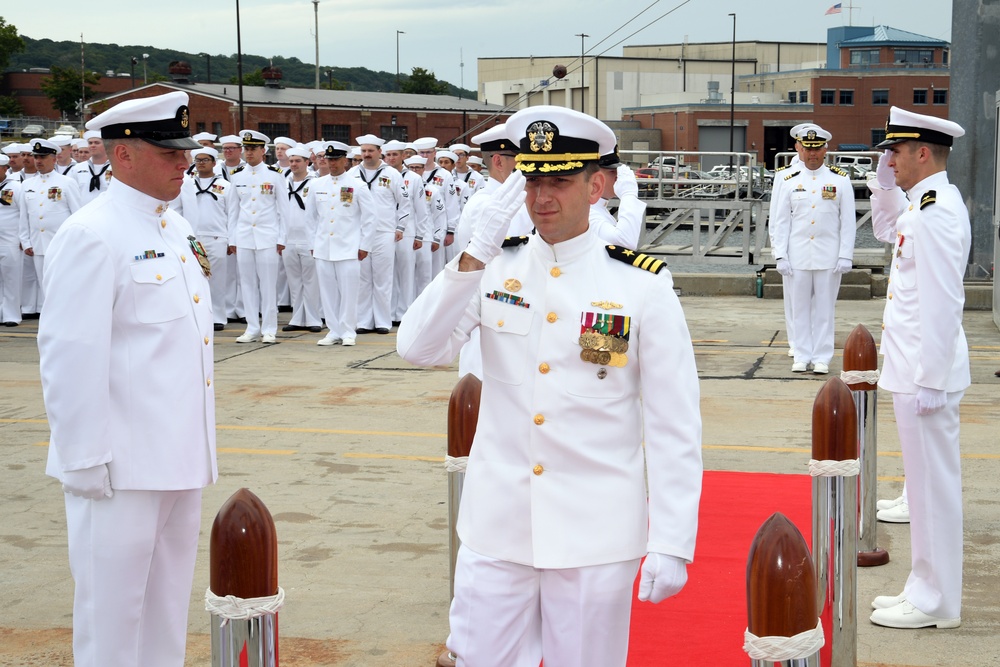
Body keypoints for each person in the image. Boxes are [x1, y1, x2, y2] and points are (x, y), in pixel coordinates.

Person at [397, 106, 703, 666]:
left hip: (594, 536)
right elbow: (417, 348)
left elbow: (673, 423)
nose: (542, 197)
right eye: (532, 179)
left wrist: (672, 540)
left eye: (560, 180)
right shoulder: (495, 268)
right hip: (498, 528)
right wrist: (472, 256)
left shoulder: (641, 286)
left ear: (599, 185)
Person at [37, 90, 217, 666]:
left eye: (185, 151)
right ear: (124, 156)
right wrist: (84, 460)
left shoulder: (173, 228)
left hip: (177, 459)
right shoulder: (92, 234)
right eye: (170, 152)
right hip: (118, 470)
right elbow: (69, 354)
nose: (185, 162)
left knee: (164, 614)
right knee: (111, 621)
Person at [867, 106, 969, 630]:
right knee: (925, 490)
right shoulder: (924, 207)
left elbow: (943, 302)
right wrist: (884, 187)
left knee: (932, 493)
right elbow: (889, 228)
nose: (890, 159)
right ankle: (924, 588)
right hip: (914, 371)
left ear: (922, 153)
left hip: (924, 375)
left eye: (895, 152)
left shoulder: (939, 212)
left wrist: (931, 377)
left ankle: (935, 601)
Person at [769, 125, 855, 374]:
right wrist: (781, 255)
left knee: (825, 311)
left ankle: (822, 357)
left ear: (825, 149)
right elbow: (781, 221)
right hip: (797, 256)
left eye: (817, 148)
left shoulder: (839, 180)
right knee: (800, 309)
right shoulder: (789, 182)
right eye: (808, 149)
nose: (812, 154)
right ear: (799, 149)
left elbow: (847, 222)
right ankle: (802, 354)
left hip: (829, 256)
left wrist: (845, 255)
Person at [309, 142, 376, 347]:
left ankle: (348, 330)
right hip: (323, 246)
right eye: (329, 160)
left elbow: (370, 217)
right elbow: (310, 218)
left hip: (349, 247)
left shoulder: (358, 185)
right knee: (327, 292)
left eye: (336, 159)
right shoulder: (317, 185)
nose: (332, 163)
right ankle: (333, 330)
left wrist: (365, 245)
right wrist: (313, 243)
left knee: (349, 291)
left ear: (345, 160)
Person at [228, 129, 289, 344]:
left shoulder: (274, 175)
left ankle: (269, 328)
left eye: (253, 148)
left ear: (263, 150)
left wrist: (282, 238)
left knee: (268, 284)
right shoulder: (237, 177)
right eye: (246, 148)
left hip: (267, 237)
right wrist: (232, 239)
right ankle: (252, 327)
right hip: (244, 236)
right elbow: (233, 211)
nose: (249, 152)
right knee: (246, 283)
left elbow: (284, 210)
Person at [349, 134, 407, 334]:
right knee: (363, 279)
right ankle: (364, 321)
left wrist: (401, 227)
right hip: (360, 233)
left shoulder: (391, 173)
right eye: (363, 151)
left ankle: (383, 321)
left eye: (370, 151)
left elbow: (404, 202)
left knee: (383, 278)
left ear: (379, 152)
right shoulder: (353, 173)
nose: (366, 154)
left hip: (384, 232)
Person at [770, 122, 818, 360]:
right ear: (797, 146)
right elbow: (777, 214)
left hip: (819, 248)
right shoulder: (783, 176)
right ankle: (796, 341)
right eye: (802, 144)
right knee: (794, 300)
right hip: (793, 246)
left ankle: (814, 342)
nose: (807, 149)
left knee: (818, 301)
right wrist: (778, 251)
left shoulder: (824, 173)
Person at [18, 139, 82, 309]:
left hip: (62, 244)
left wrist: (75, 242)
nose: (38, 161)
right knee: (45, 285)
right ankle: (51, 324)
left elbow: (77, 215)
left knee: (64, 285)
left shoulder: (67, 183)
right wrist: (26, 242)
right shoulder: (26, 185)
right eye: (36, 157)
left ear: (54, 159)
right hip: (38, 244)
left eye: (43, 157)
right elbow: (25, 217)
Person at [190, 146, 233, 331]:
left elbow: (232, 214)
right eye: (198, 160)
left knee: (216, 280)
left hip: (217, 237)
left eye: (205, 160)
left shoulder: (225, 186)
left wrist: (230, 240)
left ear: (214, 163)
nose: (201, 163)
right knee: (195, 279)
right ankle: (199, 314)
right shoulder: (188, 184)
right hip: (194, 237)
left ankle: (218, 317)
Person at [281, 145, 322, 333]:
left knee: (311, 281)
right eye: (291, 161)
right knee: (294, 281)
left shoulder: (316, 183)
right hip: (289, 238)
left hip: (308, 239)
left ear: (307, 162)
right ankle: (297, 318)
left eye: (298, 161)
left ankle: (314, 318)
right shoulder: (283, 182)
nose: (294, 164)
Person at [589, 146, 645, 249]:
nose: (618, 177)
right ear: (596, 178)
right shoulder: (587, 213)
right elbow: (624, 243)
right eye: (612, 172)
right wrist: (628, 194)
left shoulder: (598, 208)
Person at [0, 154, 23, 326]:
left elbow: (24, 213)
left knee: (11, 278)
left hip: (10, 240)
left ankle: (11, 315)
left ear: (4, 169)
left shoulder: (15, 187)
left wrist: (24, 238)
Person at [69, 130, 112, 204]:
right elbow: (72, 194)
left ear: (105, 145)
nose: (93, 145)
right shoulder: (78, 168)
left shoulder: (114, 167)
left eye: (97, 143)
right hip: (84, 211)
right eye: (90, 143)